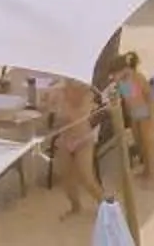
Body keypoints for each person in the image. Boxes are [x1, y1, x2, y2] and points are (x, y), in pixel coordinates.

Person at [46, 75, 102, 219]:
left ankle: (107, 208)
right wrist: (49, 103)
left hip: (83, 139)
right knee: (66, 180)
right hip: (65, 140)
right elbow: (49, 111)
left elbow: (77, 116)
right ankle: (75, 207)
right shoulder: (58, 92)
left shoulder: (88, 94)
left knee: (87, 178)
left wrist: (61, 106)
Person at [109, 50, 154, 184]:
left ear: (123, 70)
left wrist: (150, 114)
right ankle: (146, 170)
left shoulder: (138, 78)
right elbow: (128, 98)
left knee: (147, 144)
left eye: (114, 74)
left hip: (144, 113)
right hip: (134, 114)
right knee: (139, 143)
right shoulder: (123, 82)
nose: (113, 77)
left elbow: (149, 96)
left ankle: (152, 173)